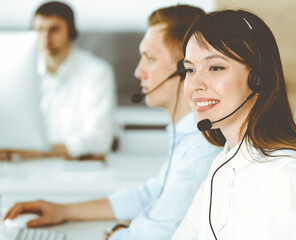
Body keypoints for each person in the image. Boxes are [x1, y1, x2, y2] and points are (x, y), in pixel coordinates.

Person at [3, 5, 221, 240]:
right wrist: (65, 210)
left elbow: (159, 233)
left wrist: (113, 233)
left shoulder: (202, 149)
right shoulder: (186, 135)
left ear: (184, 69)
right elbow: (152, 193)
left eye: (150, 58)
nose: (139, 72)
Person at [172, 10, 296, 240]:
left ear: (258, 79)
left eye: (215, 67)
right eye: (190, 70)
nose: (195, 84)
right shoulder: (223, 166)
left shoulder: (293, 176)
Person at [0, 1, 116, 160]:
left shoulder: (96, 72)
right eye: (39, 30)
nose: (45, 37)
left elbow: (100, 140)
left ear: (71, 31)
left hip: (74, 171)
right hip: (25, 167)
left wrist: (40, 151)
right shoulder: (17, 73)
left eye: (53, 29)